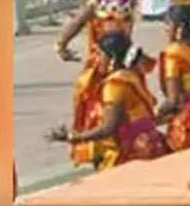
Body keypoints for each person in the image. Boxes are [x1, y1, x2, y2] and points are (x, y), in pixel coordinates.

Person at [48, 31, 170, 169]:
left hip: (133, 149)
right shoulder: (130, 75)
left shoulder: (114, 84)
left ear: (112, 58)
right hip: (150, 141)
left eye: (100, 54)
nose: (96, 59)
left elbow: (109, 127)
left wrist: (75, 138)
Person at [156, 5, 190, 152]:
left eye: (168, 24)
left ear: (179, 26)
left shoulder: (174, 53)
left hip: (186, 119)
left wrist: (154, 117)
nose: (166, 29)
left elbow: (173, 100)